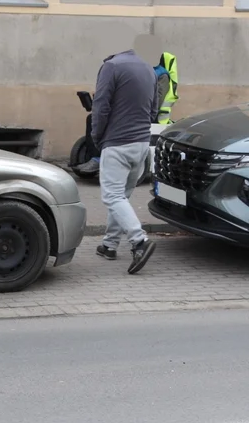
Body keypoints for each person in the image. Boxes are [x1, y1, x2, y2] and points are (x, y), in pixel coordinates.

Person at [91, 48, 159, 275]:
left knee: (112, 196)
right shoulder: (149, 68)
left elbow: (100, 105)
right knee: (121, 197)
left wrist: (97, 137)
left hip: (117, 143)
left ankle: (139, 242)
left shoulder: (111, 67)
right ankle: (109, 245)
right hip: (141, 144)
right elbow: (154, 110)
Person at [74, 51, 178, 176]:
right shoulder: (136, 70)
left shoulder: (160, 75)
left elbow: (154, 100)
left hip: (144, 115)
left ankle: (101, 157)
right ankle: (96, 156)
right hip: (130, 111)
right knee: (93, 117)